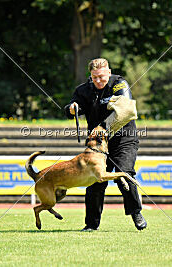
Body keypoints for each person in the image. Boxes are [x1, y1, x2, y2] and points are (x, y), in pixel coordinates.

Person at [64, 58, 147, 231]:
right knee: (95, 181)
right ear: (91, 76)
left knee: (124, 174)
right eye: (95, 78)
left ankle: (136, 212)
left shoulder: (119, 84)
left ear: (109, 72)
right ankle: (91, 225)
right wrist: (71, 109)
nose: (99, 81)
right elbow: (71, 108)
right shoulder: (83, 90)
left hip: (123, 138)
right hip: (98, 145)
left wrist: (102, 127)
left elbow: (127, 111)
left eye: (102, 77)